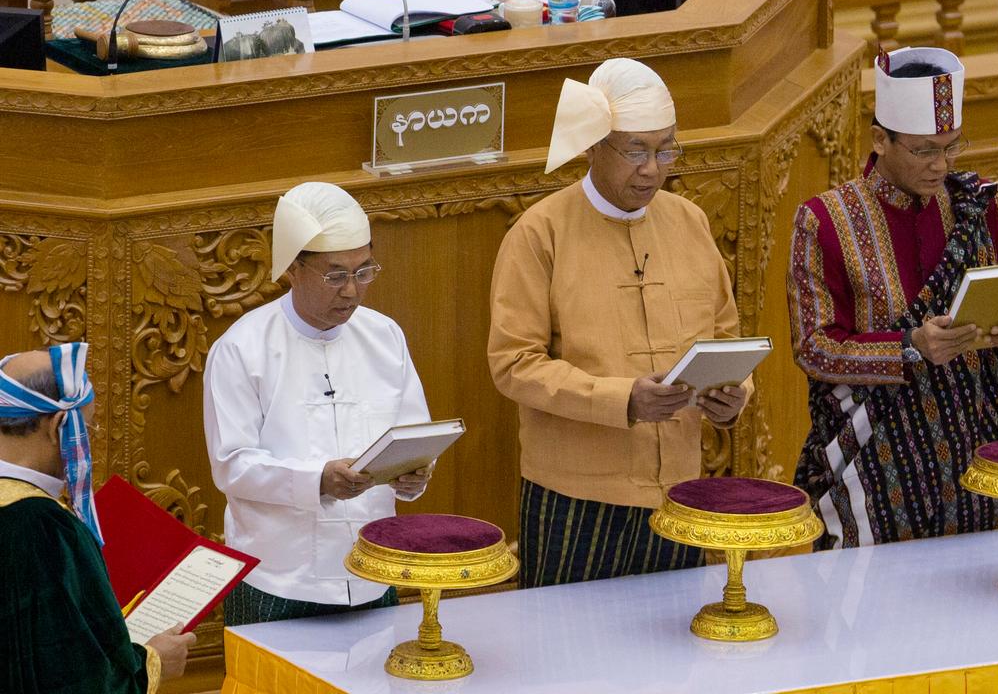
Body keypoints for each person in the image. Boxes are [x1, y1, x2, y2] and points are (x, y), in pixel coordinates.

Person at [489, 57, 750, 588]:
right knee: (570, 651)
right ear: (592, 147)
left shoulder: (689, 220)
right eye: (636, 151)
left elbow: (726, 337)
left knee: (673, 652)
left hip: (677, 485)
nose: (653, 168)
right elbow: (513, 364)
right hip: (575, 495)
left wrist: (735, 391)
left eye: (665, 149)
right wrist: (622, 399)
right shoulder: (540, 232)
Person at [787, 46, 998, 549]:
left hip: (977, 442)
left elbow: (989, 308)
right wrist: (911, 347)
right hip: (875, 461)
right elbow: (813, 348)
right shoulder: (825, 222)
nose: (941, 165)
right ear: (880, 140)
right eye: (924, 150)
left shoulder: (975, 208)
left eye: (952, 147)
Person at [204, 182, 434, 625]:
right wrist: (318, 481)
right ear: (294, 268)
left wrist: (414, 474)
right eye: (335, 275)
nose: (351, 291)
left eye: (364, 272)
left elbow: (411, 436)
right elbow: (231, 465)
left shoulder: (384, 336)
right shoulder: (243, 348)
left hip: (373, 567)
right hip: (278, 578)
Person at [0, 343, 195, 692]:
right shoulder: (42, 527)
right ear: (59, 426)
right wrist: (154, 662)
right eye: (87, 429)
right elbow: (74, 678)